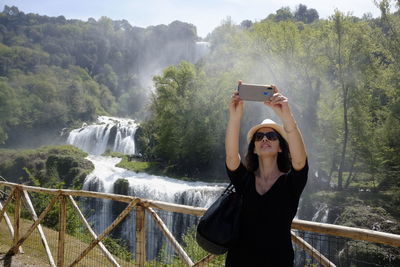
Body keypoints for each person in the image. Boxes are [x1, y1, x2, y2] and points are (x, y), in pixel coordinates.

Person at [225, 82, 308, 266]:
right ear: (254, 148)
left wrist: (285, 115)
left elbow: (300, 161)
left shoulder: (290, 184)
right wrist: (235, 117)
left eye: (271, 136)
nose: (264, 139)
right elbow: (231, 158)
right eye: (259, 137)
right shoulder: (245, 180)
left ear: (280, 147)